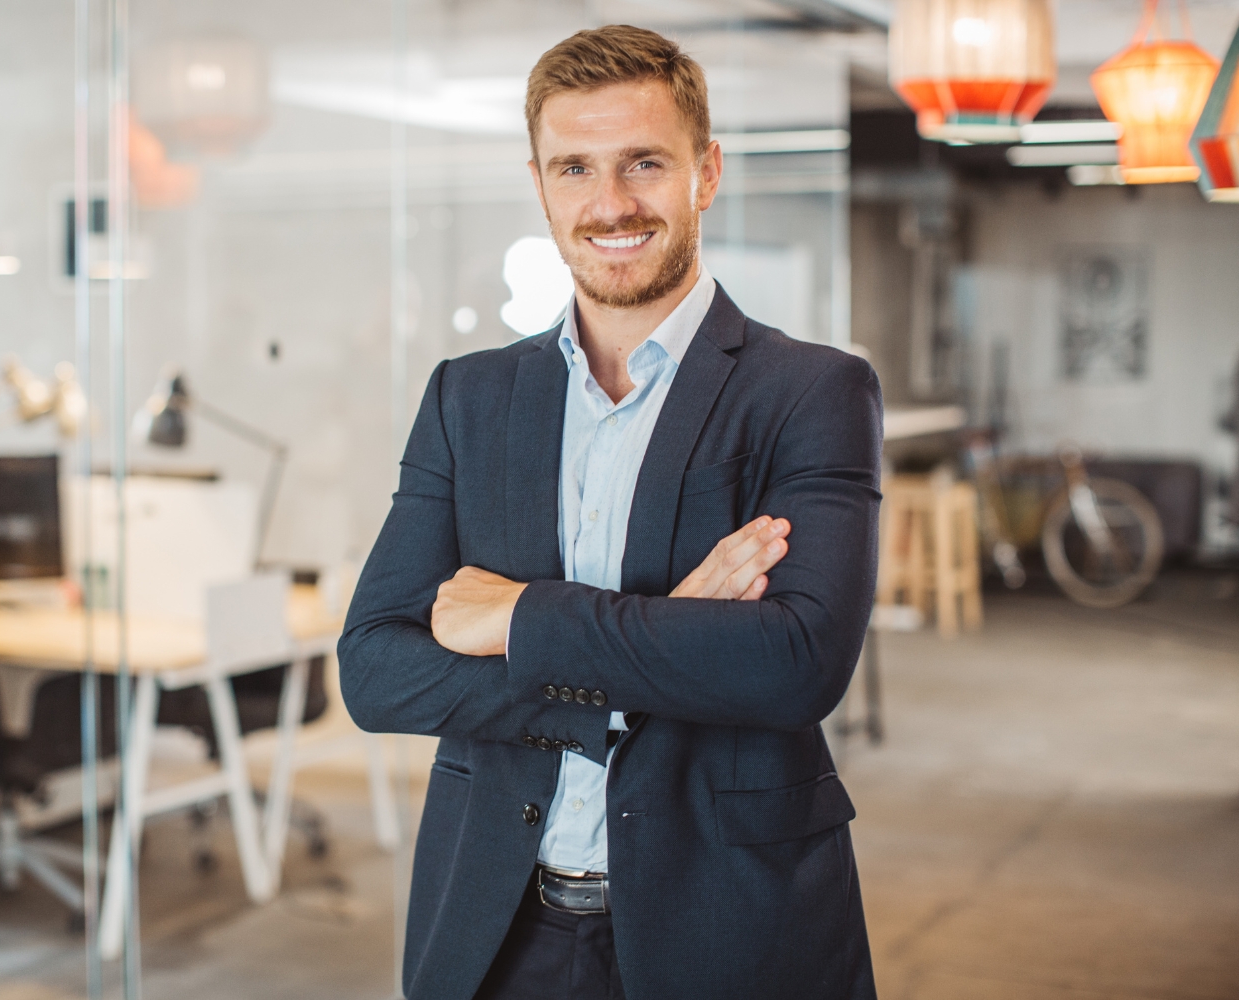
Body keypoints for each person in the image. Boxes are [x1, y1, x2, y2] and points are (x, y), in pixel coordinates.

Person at [339, 24, 880, 1000]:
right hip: (497, 928)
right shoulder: (469, 397)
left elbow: (797, 663)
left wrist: (517, 619)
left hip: (732, 920)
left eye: (644, 164)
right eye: (575, 168)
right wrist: (672, 630)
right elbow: (376, 671)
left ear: (705, 173)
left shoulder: (813, 392)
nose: (611, 203)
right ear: (541, 183)